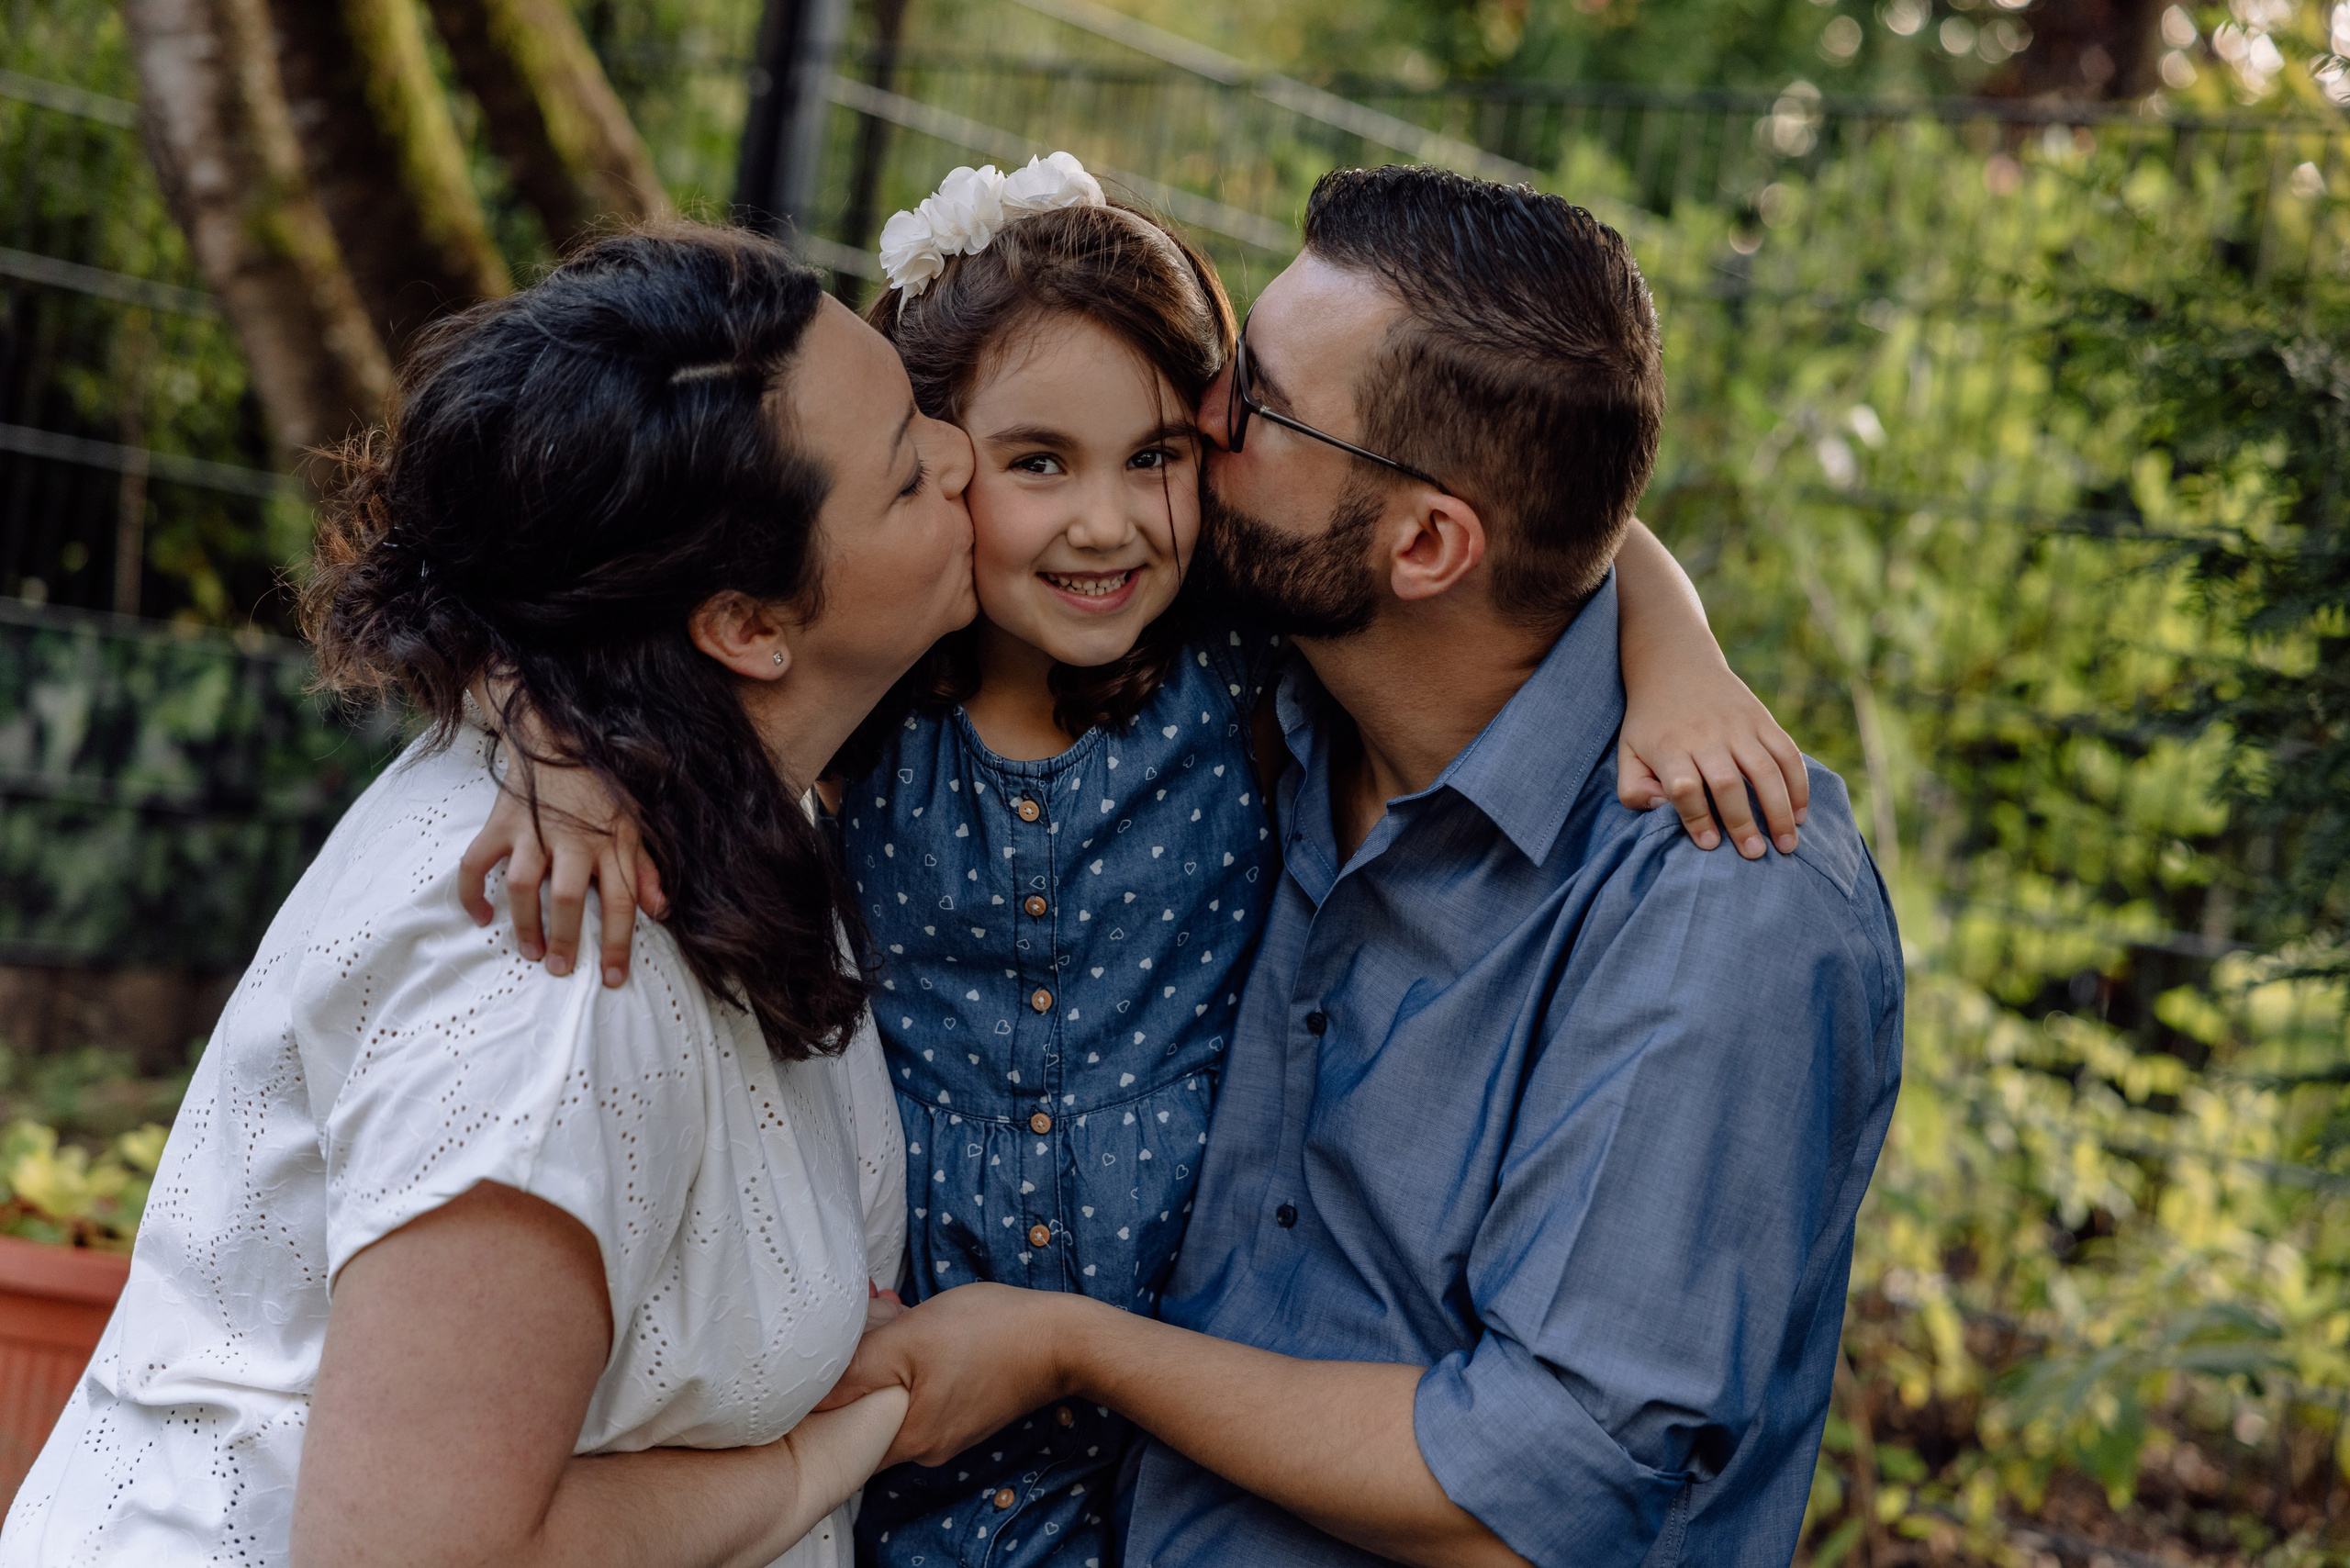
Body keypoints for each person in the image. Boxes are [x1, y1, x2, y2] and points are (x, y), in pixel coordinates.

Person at [466, 161, 1824, 1568]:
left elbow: (1539, 508)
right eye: (1041, 461)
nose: (1123, 508)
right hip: (896, 1403)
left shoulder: (1247, 663)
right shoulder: (936, 676)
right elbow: (686, 592)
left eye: (1188, 440)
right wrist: (552, 719)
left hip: (1129, 1454)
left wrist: (1677, 652)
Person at [816, 165, 1907, 1568]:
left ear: (1429, 545)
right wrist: (560, 748)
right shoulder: (1274, 692)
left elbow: (1539, 1495)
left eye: (1252, 406)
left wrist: (1077, 1349)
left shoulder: (1721, 902)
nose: (1199, 427)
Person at [0, 223, 977, 1567]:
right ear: (747, 625)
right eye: (914, 473)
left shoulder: (717, 793)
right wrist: (815, 1459)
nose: (970, 460)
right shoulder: (553, 948)